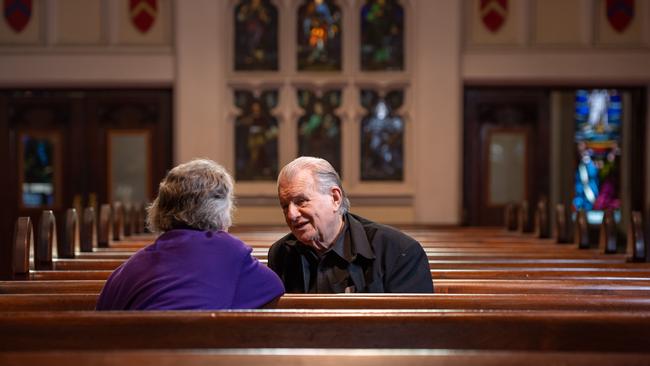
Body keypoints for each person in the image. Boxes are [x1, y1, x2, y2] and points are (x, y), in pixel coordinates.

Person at [96, 159, 284, 310]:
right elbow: (274, 287)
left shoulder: (131, 268)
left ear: (161, 207)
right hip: (203, 356)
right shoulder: (229, 251)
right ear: (220, 210)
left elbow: (102, 318)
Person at [267, 156, 433, 293]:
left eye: (301, 201)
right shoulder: (281, 253)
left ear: (335, 198)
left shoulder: (398, 251)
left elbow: (414, 329)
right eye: (284, 205)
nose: (291, 214)